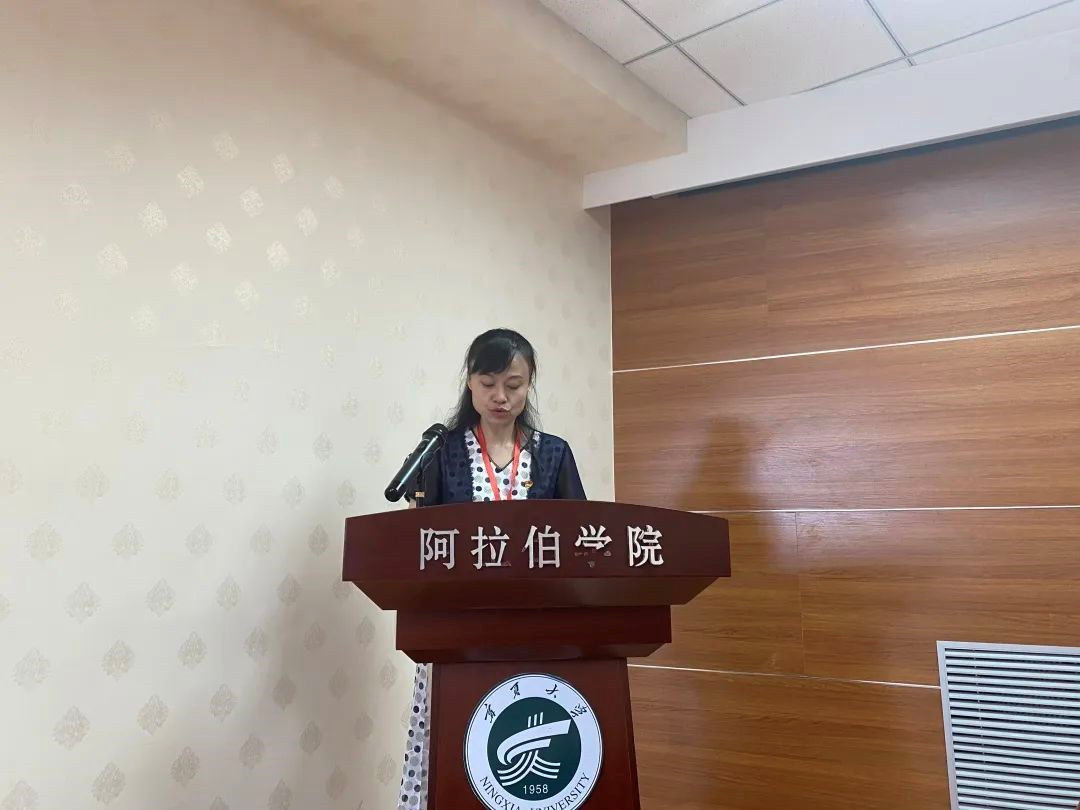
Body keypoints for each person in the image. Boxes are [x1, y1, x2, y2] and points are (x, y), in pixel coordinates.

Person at [395, 327, 586, 810]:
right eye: (488, 383)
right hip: (457, 628)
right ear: (470, 383)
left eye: (514, 384)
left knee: (528, 742)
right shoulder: (441, 452)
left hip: (537, 627)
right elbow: (419, 542)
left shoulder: (554, 453)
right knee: (457, 741)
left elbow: (580, 540)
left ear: (530, 384)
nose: (501, 396)